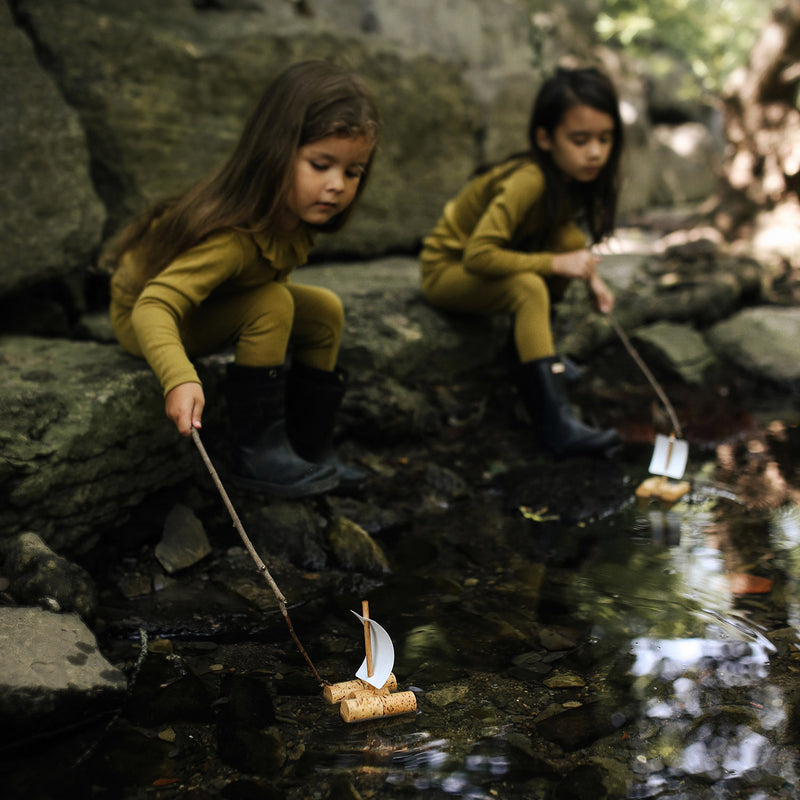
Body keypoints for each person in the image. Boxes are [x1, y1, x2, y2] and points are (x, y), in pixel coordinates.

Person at [105, 60, 380, 497]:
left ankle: (311, 448)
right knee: (272, 303)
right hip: (149, 315)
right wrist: (180, 377)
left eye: (352, 172)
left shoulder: (296, 216)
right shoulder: (233, 237)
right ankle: (258, 454)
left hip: (209, 301)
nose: (337, 186)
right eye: (321, 164)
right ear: (275, 151)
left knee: (324, 310)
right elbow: (154, 305)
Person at [419, 66, 623, 459]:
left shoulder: (569, 180)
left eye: (605, 138)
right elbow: (478, 254)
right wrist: (555, 264)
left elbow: (562, 238)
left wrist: (592, 278)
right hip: (447, 270)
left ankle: (532, 354)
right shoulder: (529, 180)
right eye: (580, 140)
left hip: (484, 266)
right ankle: (553, 422)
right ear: (545, 138)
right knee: (530, 284)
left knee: (569, 239)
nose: (596, 151)